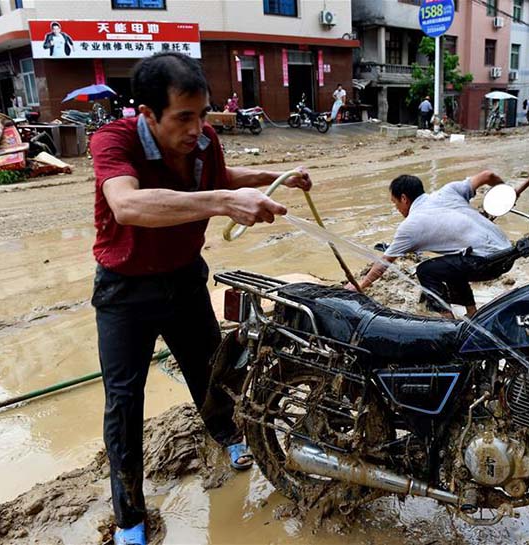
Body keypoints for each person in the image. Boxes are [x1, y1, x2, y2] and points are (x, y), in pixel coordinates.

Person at [90, 52, 312, 545]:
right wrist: (225, 202)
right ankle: (129, 517)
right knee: (123, 401)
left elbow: (220, 179)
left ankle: (229, 436)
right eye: (184, 117)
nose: (198, 128)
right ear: (147, 114)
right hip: (125, 290)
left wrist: (273, 177)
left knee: (213, 370)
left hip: (186, 279)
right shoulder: (114, 140)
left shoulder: (205, 141)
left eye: (204, 114)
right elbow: (126, 205)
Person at [346, 172, 511, 318]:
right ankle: (472, 312)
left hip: (488, 264)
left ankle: (447, 319)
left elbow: (383, 264)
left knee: (426, 270)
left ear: (404, 198)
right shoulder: (449, 191)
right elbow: (487, 176)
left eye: (395, 203)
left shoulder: (411, 225)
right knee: (450, 264)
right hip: (508, 253)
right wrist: (506, 193)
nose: (396, 208)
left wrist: (359, 286)